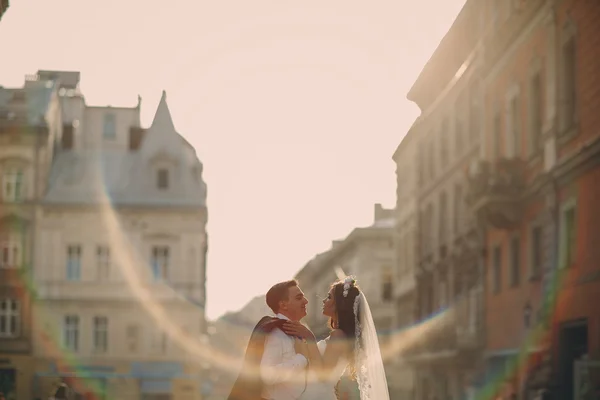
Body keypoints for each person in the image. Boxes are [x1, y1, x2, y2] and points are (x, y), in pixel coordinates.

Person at [282, 276, 390, 400]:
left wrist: (309, 337)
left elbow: (323, 375)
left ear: (340, 304)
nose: (323, 301)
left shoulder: (338, 335)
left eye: (329, 297)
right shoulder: (340, 335)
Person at [227, 279, 310, 400]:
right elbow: (267, 375)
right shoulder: (277, 334)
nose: (306, 301)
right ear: (283, 304)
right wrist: (302, 358)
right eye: (299, 298)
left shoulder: (295, 333)